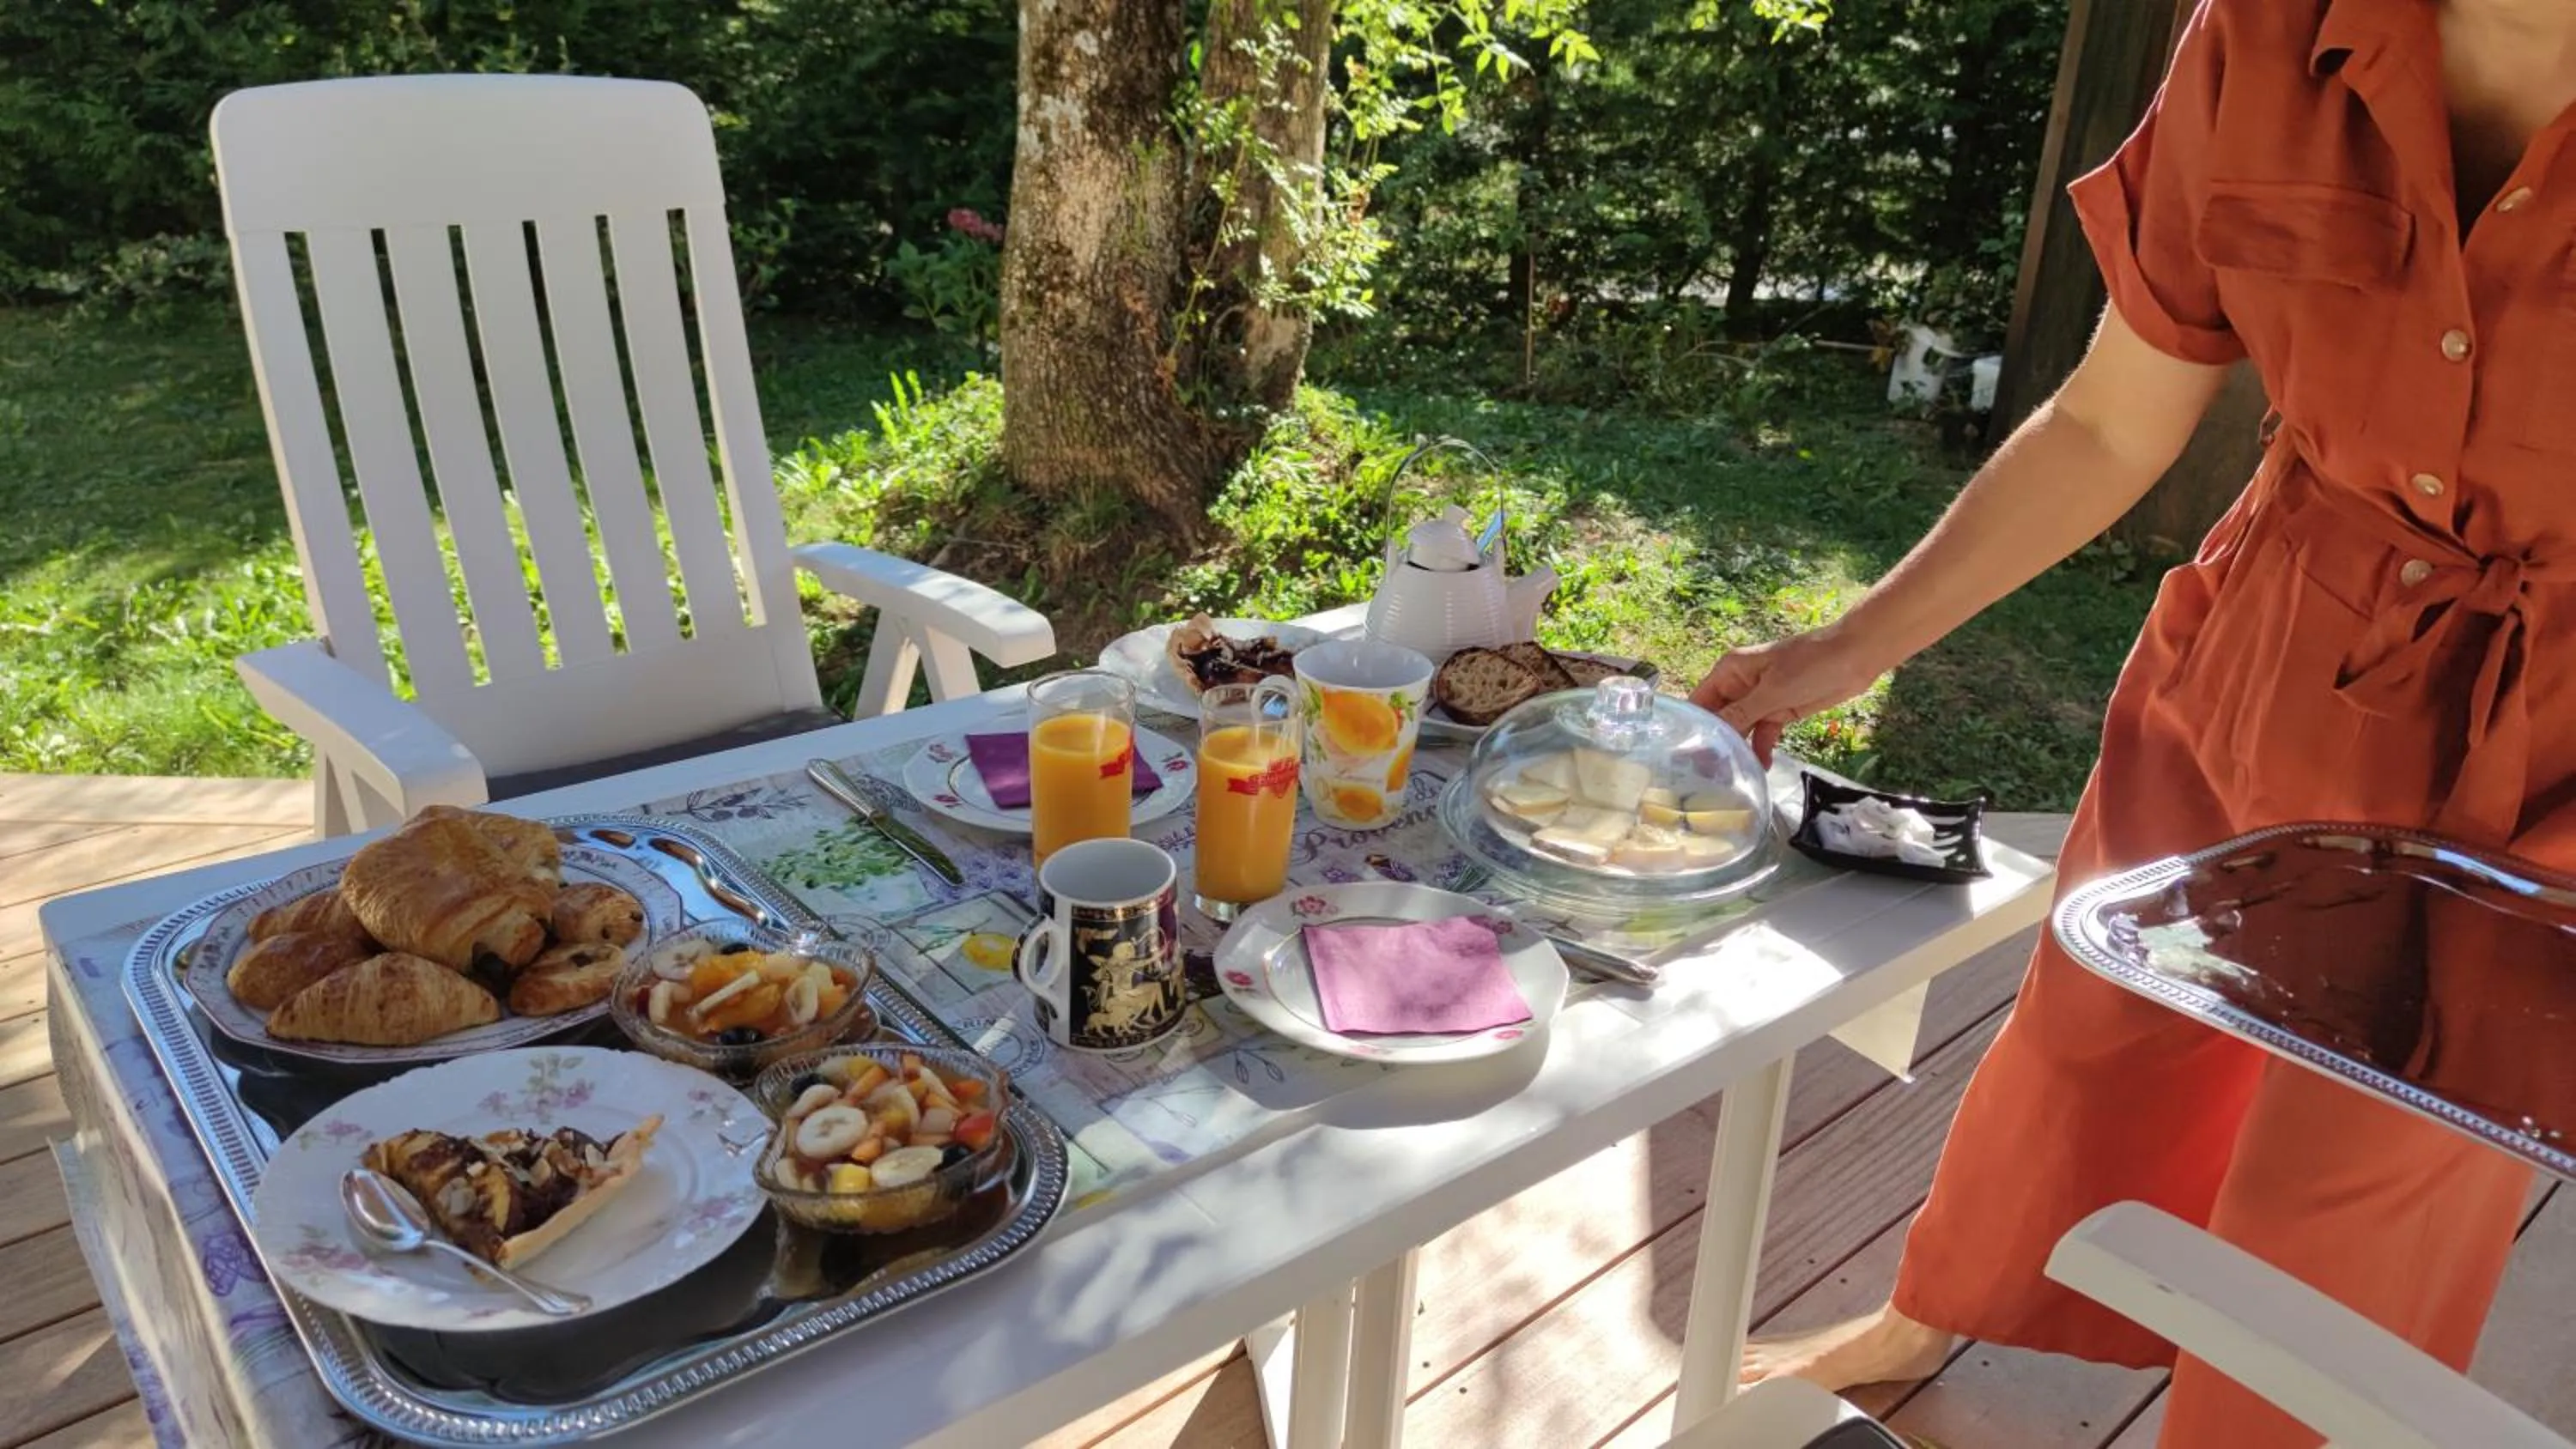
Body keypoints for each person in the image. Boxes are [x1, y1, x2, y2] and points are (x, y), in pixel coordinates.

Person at [1694, 1, 2573, 1443]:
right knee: (2091, 1038)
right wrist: (1844, 651)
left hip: (2533, 761)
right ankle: (1936, 1312)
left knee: (2340, 1215)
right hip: (2264, 643)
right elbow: (2114, 418)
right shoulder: (2270, 34)